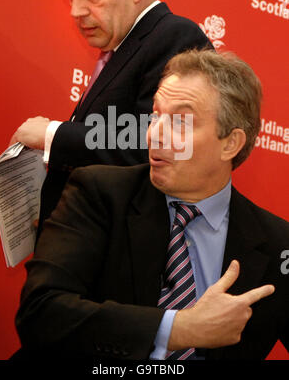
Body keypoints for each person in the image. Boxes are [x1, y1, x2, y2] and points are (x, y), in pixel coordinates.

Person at [15, 49, 289, 361]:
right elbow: (40, 314)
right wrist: (178, 329)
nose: (155, 135)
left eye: (180, 122)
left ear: (231, 143)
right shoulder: (98, 194)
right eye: (156, 115)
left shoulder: (278, 243)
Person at [9, 0, 211, 237]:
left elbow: (147, 143)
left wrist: (53, 135)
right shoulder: (120, 46)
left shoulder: (176, 38)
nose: (76, 11)